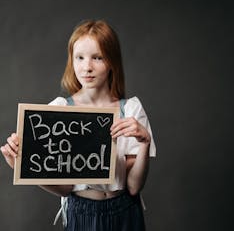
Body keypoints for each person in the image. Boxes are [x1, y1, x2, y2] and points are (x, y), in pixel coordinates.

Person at [1, 19, 156, 231]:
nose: (87, 67)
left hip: (125, 211)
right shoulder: (59, 110)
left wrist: (145, 143)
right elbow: (64, 188)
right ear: (71, 61)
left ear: (111, 61)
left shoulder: (130, 110)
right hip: (80, 212)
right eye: (79, 58)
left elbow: (133, 186)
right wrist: (24, 166)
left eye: (97, 58)